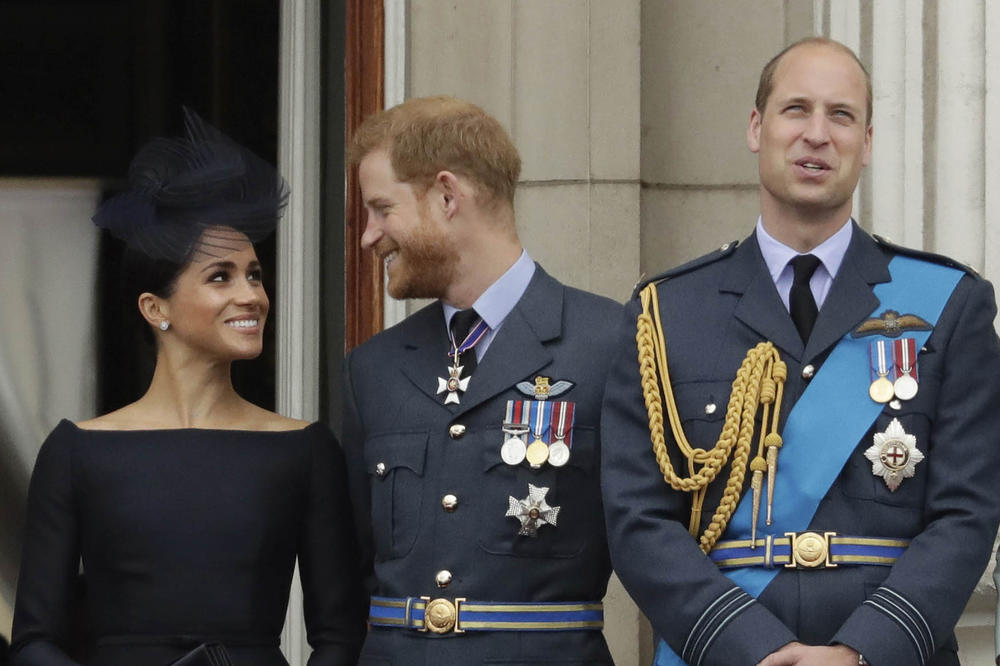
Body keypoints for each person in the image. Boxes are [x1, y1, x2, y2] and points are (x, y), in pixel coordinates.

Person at [601, 37, 1000, 666]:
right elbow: (637, 519)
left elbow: (968, 513)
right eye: (796, 110)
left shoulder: (952, 304)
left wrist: (863, 650)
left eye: (840, 115)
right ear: (757, 128)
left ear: (866, 142)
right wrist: (756, 648)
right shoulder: (667, 312)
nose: (817, 134)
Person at [10, 109, 366, 665]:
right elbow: (35, 641)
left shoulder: (305, 450)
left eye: (253, 273)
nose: (251, 295)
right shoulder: (76, 451)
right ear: (156, 308)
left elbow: (341, 637)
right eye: (220, 276)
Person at [342, 96, 622, 665]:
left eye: (381, 209)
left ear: (447, 196)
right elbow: (353, 579)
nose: (369, 237)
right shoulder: (372, 368)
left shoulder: (610, 343)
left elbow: (657, 543)